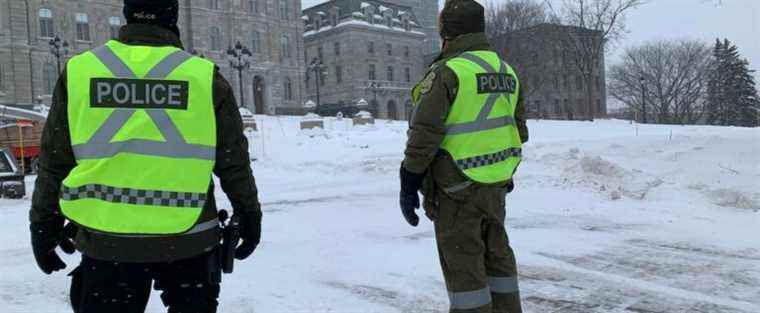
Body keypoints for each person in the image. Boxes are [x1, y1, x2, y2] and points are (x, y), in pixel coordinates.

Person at [29, 1, 262, 312]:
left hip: (107, 243)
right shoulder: (203, 77)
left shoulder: (80, 72)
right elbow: (233, 160)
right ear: (173, 17)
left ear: (127, 15)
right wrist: (248, 214)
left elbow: (54, 160)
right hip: (189, 243)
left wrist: (43, 223)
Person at [399, 0, 529, 312]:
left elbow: (424, 134)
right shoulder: (505, 71)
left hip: (456, 189)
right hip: (496, 185)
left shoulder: (449, 72)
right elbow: (519, 130)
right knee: (499, 260)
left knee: (465, 272)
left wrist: (409, 181)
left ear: (448, 32)